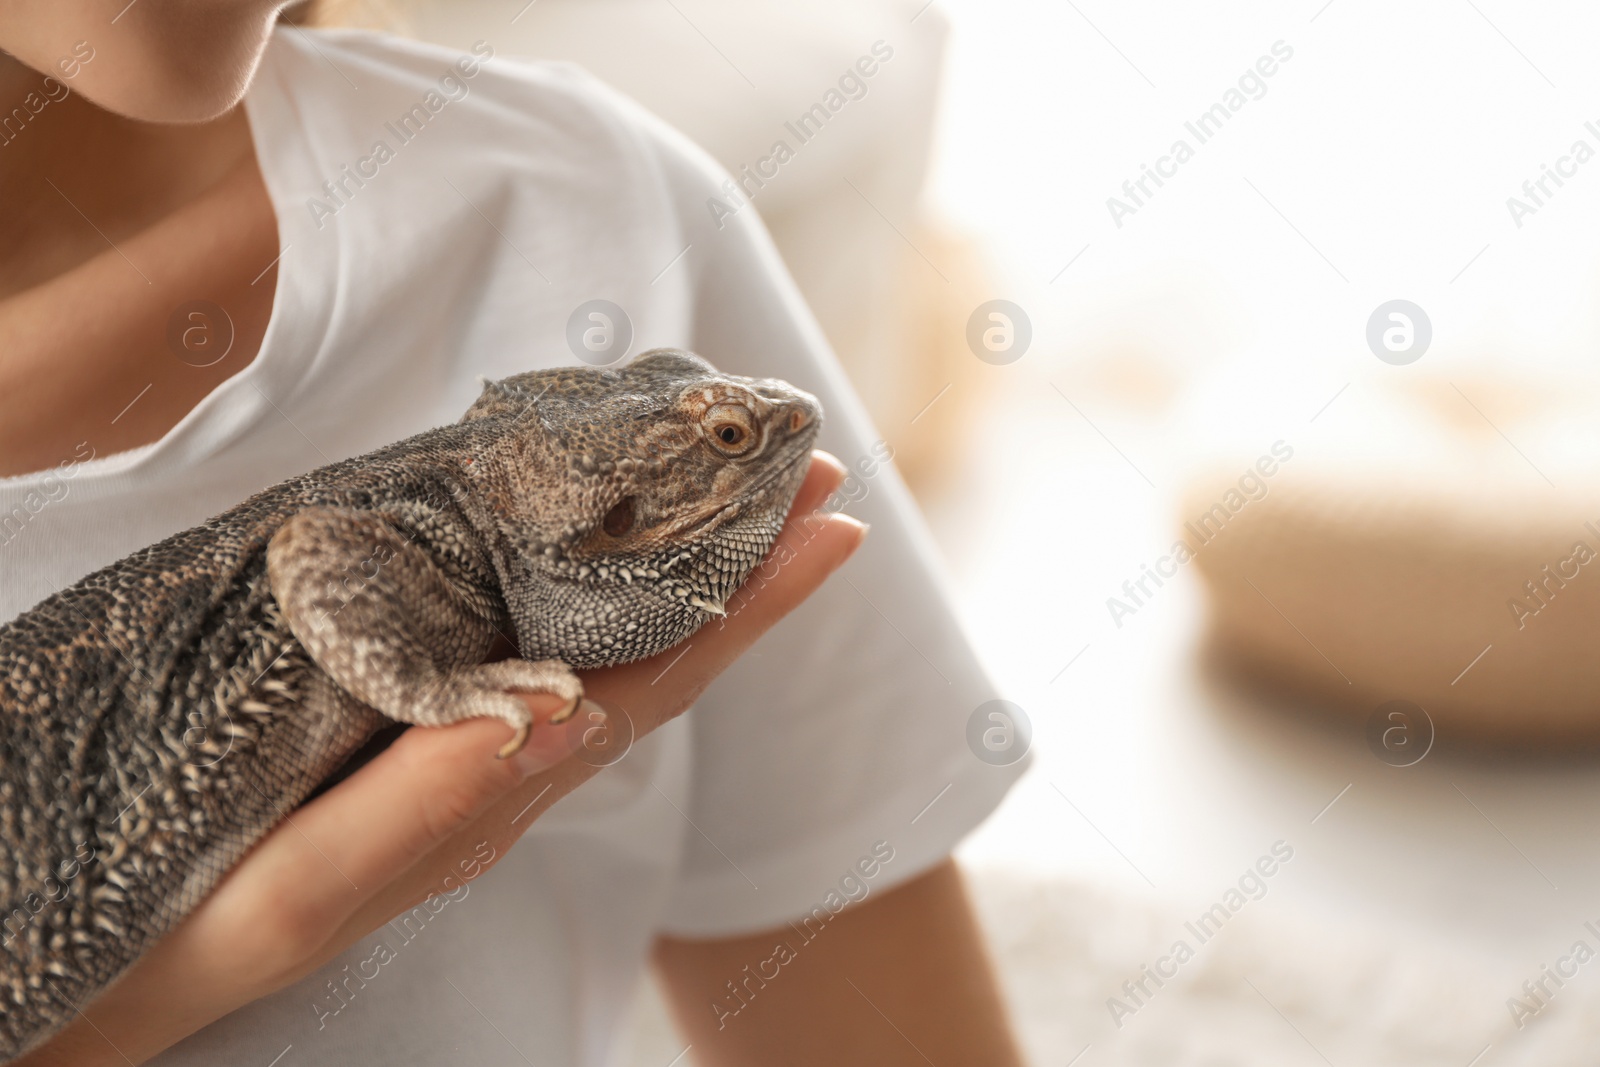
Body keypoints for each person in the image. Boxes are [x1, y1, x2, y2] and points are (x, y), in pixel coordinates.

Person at [0, 3, 1029, 1064]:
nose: (753, 432)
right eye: (720, 435)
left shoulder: (598, 209)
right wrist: (109, 1020)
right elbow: (312, 550)